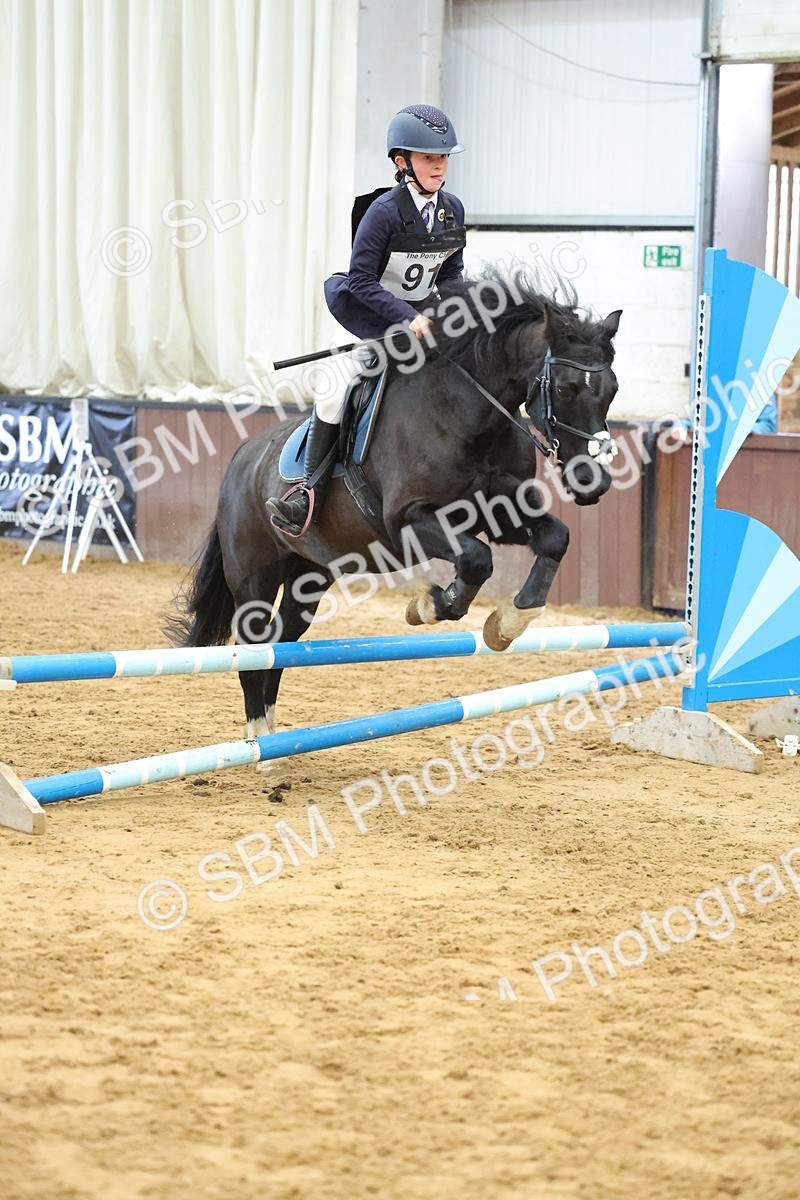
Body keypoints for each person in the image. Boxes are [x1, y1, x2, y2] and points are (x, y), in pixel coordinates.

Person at [266, 103, 467, 536]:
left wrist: (448, 310)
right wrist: (406, 318)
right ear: (402, 162)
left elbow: (450, 273)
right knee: (337, 384)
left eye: (444, 157)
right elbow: (360, 281)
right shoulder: (383, 212)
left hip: (420, 317)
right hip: (374, 311)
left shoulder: (452, 211)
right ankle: (306, 491)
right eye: (429, 157)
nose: (439, 166)